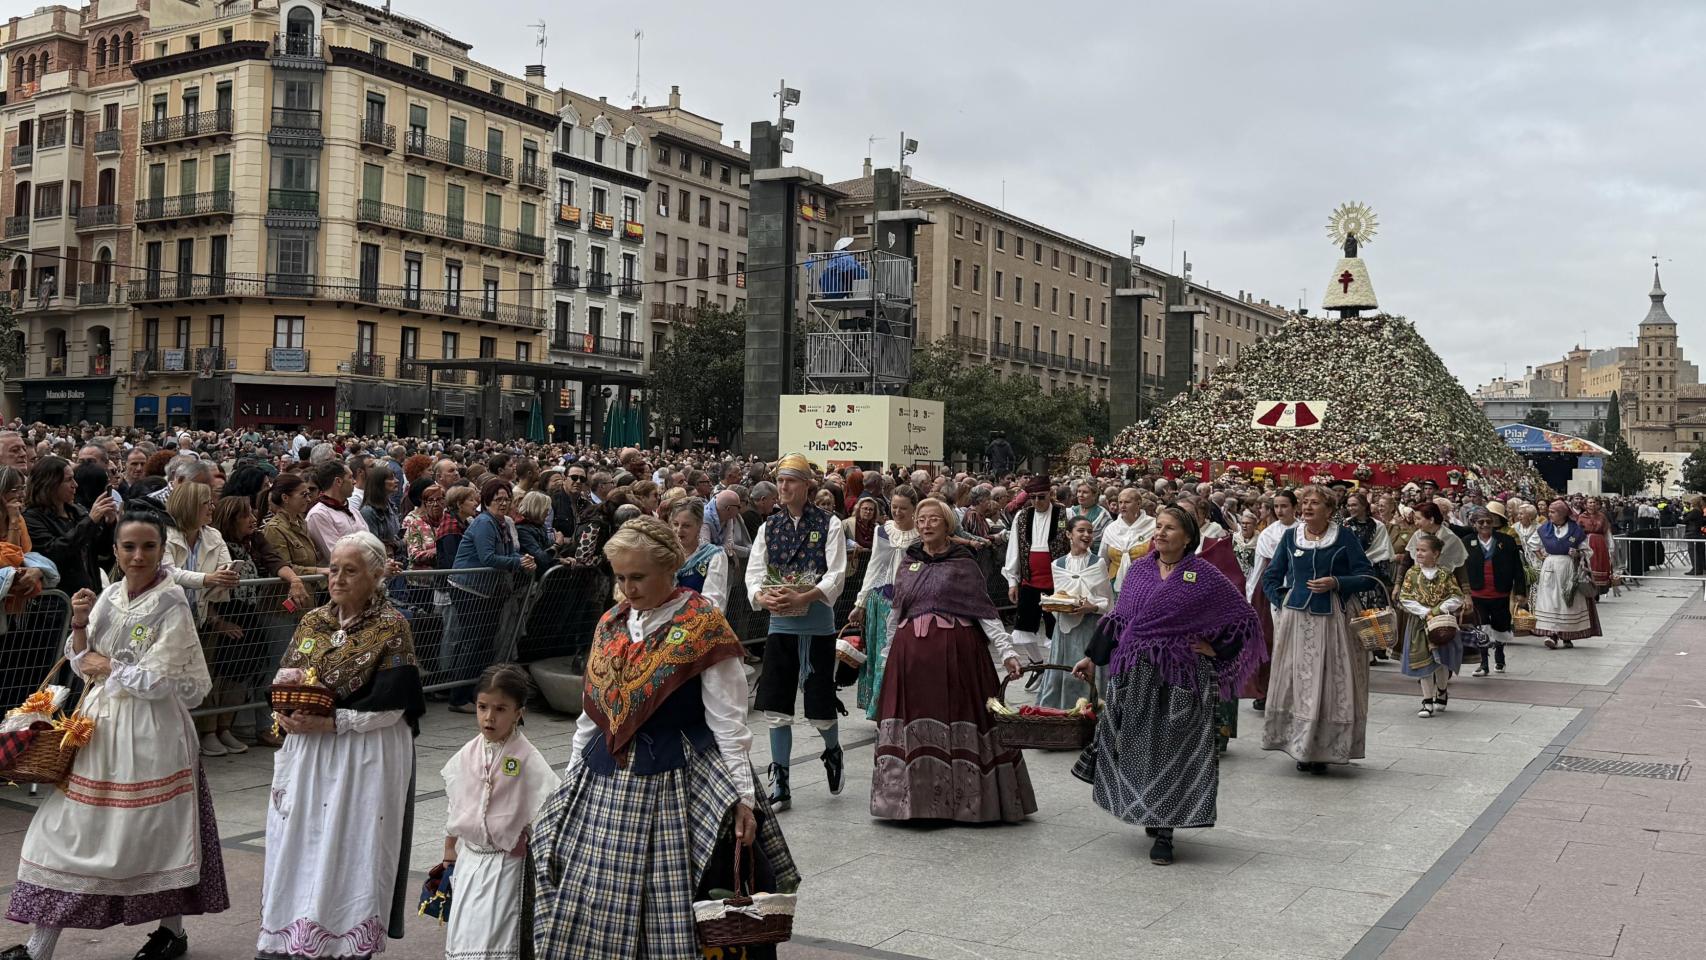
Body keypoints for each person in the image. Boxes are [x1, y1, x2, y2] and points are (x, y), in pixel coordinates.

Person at [532, 516, 797, 958]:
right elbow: (590, 715)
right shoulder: (611, 622)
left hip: (677, 780)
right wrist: (571, 778)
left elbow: (729, 723)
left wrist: (743, 798)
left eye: (638, 577)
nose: (628, 589)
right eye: (620, 578)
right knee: (579, 882)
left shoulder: (702, 626)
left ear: (668, 570)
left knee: (673, 903)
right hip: (605, 777)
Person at [3, 511, 228, 960]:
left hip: (151, 731)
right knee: (69, 831)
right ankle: (38, 945)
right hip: (97, 727)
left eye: (148, 546)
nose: (138, 556)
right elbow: (82, 660)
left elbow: (165, 681)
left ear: (163, 550)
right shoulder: (110, 595)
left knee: (156, 832)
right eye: (129, 547)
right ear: (117, 551)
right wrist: (82, 623)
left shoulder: (172, 604)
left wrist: (111, 667)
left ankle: (171, 931)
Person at [255, 532, 426, 960]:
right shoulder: (314, 621)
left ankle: (346, 941)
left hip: (365, 751)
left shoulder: (392, 626)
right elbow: (287, 675)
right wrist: (284, 711)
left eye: (351, 570)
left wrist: (333, 722)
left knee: (353, 843)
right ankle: (293, 933)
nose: (338, 578)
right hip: (309, 749)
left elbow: (394, 703)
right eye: (334, 568)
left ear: (376, 575)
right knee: (301, 838)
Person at [1072, 505, 1264, 866]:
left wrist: (1216, 648)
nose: (1159, 533)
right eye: (1157, 526)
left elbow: (1242, 617)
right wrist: (1091, 657)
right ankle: (1151, 807)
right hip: (1135, 674)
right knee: (1138, 746)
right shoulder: (1141, 570)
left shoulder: (1204, 575)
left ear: (1188, 536)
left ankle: (1165, 831)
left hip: (1181, 678)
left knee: (1174, 751)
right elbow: (1120, 618)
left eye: (1169, 528)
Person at [872, 498, 1031, 822]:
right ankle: (912, 803)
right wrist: (887, 655)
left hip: (958, 662)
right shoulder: (908, 561)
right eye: (921, 519)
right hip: (911, 662)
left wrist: (1008, 652)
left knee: (960, 719)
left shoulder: (963, 563)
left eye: (933, 519)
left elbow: (985, 612)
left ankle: (965, 803)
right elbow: (896, 612)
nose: (926, 524)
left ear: (947, 525)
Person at [744, 453, 848, 809]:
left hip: (817, 625)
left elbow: (836, 573)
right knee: (776, 704)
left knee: (819, 706)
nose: (784, 487)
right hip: (780, 625)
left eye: (790, 481)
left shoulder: (830, 524)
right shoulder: (768, 527)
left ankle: (832, 751)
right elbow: (754, 571)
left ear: (807, 485)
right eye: (780, 481)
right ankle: (781, 780)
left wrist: (806, 594)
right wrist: (762, 596)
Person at [1261, 484, 1380, 774]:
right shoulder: (1291, 537)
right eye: (1305, 502)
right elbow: (1271, 576)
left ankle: (1327, 748)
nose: (1308, 507)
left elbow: (1367, 575)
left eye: (1315, 503)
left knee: (1331, 680)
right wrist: (1284, 600)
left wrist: (1337, 583)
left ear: (1329, 509)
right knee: (1299, 680)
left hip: (1334, 620)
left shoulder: (1344, 537)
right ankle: (1302, 747)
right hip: (1297, 621)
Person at [439, 663, 554, 960]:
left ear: (519, 712)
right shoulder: (467, 753)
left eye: (501, 709)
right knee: (465, 936)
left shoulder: (526, 757)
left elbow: (548, 805)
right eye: (482, 707)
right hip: (470, 860)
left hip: (506, 864)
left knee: (499, 938)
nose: (489, 717)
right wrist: (450, 848)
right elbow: (456, 802)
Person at [448, 479, 535, 712]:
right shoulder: (485, 523)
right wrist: (519, 562)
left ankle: (474, 692)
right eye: (498, 499)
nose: (504, 503)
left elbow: (508, 552)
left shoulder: (503, 523)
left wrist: (522, 558)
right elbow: (487, 557)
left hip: (488, 591)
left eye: (507, 499)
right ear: (486, 501)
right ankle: (458, 696)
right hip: (469, 588)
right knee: (473, 642)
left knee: (484, 643)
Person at [849, 485, 919, 719]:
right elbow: (875, 566)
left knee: (905, 656)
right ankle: (881, 707)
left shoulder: (921, 534)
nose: (897, 512)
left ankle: (904, 705)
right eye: (894, 507)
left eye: (903, 508)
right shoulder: (883, 531)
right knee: (881, 655)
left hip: (911, 601)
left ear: (913, 510)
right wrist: (861, 602)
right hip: (882, 600)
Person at [1038, 516, 1113, 710]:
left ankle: (1091, 712)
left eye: (1090, 531)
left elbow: (1107, 601)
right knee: (1062, 674)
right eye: (1081, 530)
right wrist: (1052, 604)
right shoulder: (1058, 565)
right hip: (1064, 630)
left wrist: (1093, 606)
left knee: (1088, 676)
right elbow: (1060, 595)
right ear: (1069, 534)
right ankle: (1060, 711)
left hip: (1089, 627)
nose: (1087, 535)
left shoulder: (1098, 564)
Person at [23, 455, 118, 597]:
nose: (75, 484)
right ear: (50, 484)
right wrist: (91, 521)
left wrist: (109, 523)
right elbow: (55, 551)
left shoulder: (77, 511)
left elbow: (102, 551)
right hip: (59, 602)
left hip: (91, 592)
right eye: (68, 480)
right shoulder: (32, 518)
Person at [1396, 533, 1465, 718]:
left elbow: (1457, 596)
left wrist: (1439, 608)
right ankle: (1427, 701)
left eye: (1423, 550)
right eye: (1417, 550)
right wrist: (1423, 611)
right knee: (1423, 662)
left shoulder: (1445, 574)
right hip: (1419, 624)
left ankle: (1441, 690)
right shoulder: (1412, 573)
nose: (1418, 553)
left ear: (1435, 553)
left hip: (1441, 624)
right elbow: (1405, 597)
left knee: (1440, 660)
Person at [1002, 475, 1070, 663]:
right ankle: (1037, 663)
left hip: (1056, 582)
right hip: (1030, 580)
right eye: (1033, 497)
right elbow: (1013, 549)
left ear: (1051, 494)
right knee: (1023, 628)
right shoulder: (1022, 516)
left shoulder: (1065, 514)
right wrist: (1012, 582)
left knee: (1055, 628)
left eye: (1041, 497)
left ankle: (1055, 666)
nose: (1037, 501)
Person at [1244, 489, 1299, 711]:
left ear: (1295, 507)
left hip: (1297, 589)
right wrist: (1250, 596)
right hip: (1270, 591)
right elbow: (1260, 566)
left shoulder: (1303, 531)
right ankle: (1266, 691)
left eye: (1284, 506)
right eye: (1276, 506)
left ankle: (1293, 693)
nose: (1279, 510)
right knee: (1268, 641)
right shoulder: (1268, 533)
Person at [1462, 506, 1526, 677]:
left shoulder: (1506, 540)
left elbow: (1518, 568)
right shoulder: (1467, 542)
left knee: (1501, 626)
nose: (1485, 525)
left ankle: (1499, 655)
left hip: (1501, 592)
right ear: (1474, 524)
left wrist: (1520, 591)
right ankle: (1483, 663)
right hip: (1477, 593)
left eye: (1488, 522)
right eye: (1480, 522)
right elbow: (1460, 570)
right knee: (1481, 628)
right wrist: (1463, 592)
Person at [1532, 499, 1603, 649]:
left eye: (1553, 512)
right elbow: (1533, 544)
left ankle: (1567, 635)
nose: (1549, 514)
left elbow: (1587, 550)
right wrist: (1542, 557)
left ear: (1562, 514)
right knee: (1550, 600)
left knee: (1568, 600)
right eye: (1549, 511)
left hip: (1569, 567)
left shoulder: (1575, 530)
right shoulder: (1544, 529)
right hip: (1550, 568)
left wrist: (1577, 553)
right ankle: (1552, 634)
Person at [670, 500, 729, 610]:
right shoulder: (664, 553)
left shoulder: (713, 556)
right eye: (675, 524)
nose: (679, 530)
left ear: (699, 526)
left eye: (686, 526)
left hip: (697, 621)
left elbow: (714, 600)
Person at [304, 460, 364, 561]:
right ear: (338, 481)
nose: (354, 481)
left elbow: (369, 542)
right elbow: (335, 555)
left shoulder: (353, 510)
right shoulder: (318, 514)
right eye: (350, 477)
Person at [1101, 487, 1154, 593]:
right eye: (1120, 502)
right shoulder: (1111, 528)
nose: (1122, 506)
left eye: (1127, 502)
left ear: (1138, 504)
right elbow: (1103, 559)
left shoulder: (1153, 525)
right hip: (1114, 582)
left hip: (1144, 583)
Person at [359, 464, 403, 560]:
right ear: (379, 483)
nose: (397, 480)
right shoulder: (368, 512)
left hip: (397, 562)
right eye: (391, 479)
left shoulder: (391, 506)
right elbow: (372, 546)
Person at [401, 482, 445, 568]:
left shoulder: (449, 522)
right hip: (423, 577)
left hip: (445, 577)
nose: (435, 504)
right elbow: (413, 555)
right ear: (425, 504)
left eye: (439, 499)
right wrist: (435, 552)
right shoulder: (416, 524)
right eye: (430, 501)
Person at [1579, 498, 1615, 593]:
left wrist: (1610, 545)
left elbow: (1607, 531)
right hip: (1587, 542)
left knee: (1600, 564)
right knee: (1590, 564)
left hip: (1600, 543)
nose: (1592, 504)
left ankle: (1598, 591)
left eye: (1594, 502)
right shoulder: (1582, 517)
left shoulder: (1602, 517)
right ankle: (1590, 589)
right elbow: (1578, 532)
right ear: (1586, 505)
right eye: (1590, 502)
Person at [1066, 480, 1112, 551]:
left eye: (1085, 492)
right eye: (1079, 491)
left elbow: (1109, 539)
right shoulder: (1070, 511)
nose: (1080, 495)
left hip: (1095, 554)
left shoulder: (1102, 514)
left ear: (1094, 495)